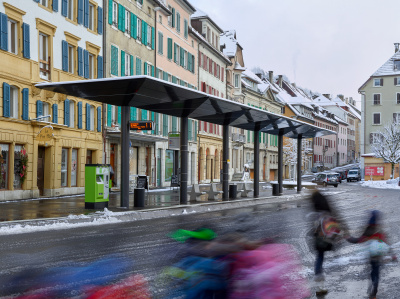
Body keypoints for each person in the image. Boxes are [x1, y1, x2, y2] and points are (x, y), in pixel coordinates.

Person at [346, 210, 397, 299]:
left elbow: (358, 240)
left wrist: (348, 238)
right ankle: (374, 292)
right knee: (376, 272)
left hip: (371, 256)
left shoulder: (368, 230)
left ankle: (373, 290)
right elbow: (387, 244)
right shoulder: (380, 231)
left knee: (372, 272)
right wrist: (393, 255)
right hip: (379, 256)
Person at [309, 190, 347, 295]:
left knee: (319, 258)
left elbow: (314, 229)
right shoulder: (328, 212)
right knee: (323, 257)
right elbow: (336, 225)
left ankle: (319, 282)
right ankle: (321, 284)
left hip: (319, 240)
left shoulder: (316, 213)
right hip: (327, 240)